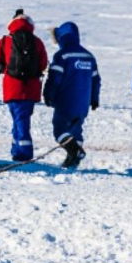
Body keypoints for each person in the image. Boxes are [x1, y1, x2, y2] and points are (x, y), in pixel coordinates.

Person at [0, 9, 48, 161]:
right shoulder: (37, 41)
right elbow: (43, 64)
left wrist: (5, 65)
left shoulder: (5, 40)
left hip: (12, 87)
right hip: (31, 88)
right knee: (22, 119)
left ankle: (23, 153)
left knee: (19, 120)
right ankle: (18, 151)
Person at [43, 22, 101, 168]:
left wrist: (48, 94)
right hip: (83, 102)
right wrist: (94, 99)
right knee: (76, 129)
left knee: (60, 129)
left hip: (66, 101)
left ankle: (75, 151)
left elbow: (54, 78)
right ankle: (73, 159)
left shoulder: (62, 56)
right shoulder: (89, 56)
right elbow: (96, 80)